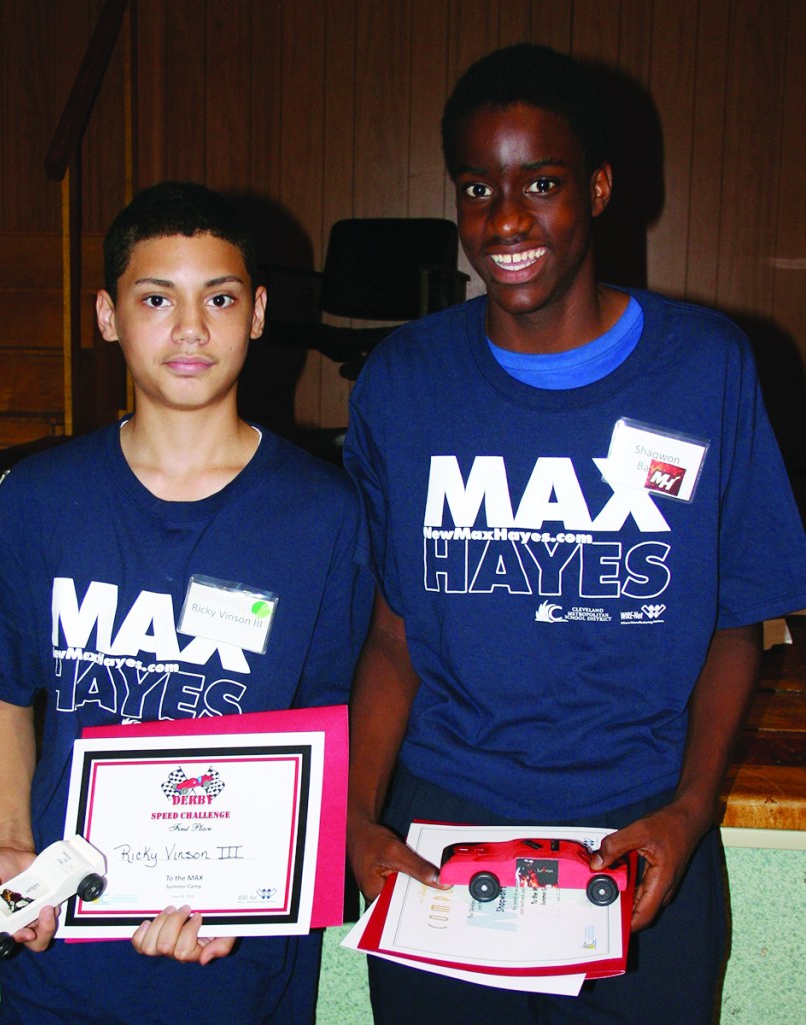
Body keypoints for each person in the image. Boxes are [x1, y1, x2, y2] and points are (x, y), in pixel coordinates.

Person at [343, 43, 806, 1024]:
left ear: (597, 187)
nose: (506, 220)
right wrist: (355, 814)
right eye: (479, 187)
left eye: (541, 183)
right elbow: (393, 632)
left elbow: (737, 619)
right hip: (445, 832)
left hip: (638, 828)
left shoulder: (706, 369)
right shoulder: (404, 381)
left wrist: (689, 808)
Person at [0, 181, 372, 1025]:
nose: (190, 328)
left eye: (218, 297)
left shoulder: (323, 515)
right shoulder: (37, 499)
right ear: (107, 316)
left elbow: (326, 739)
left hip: (241, 972)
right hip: (60, 963)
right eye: (154, 298)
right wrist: (3, 843)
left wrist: (246, 902)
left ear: (257, 313)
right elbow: (0, 698)